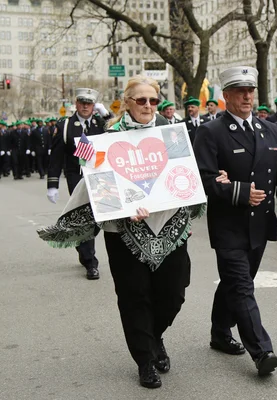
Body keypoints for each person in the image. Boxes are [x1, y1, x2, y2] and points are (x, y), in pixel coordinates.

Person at [39, 75, 209, 389]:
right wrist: (123, 205)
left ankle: (155, 335)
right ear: (126, 102)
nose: (148, 106)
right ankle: (145, 359)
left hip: (169, 225)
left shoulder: (172, 134)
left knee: (174, 291)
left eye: (153, 100)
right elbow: (97, 182)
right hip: (123, 231)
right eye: (141, 100)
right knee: (134, 296)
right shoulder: (103, 137)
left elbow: (185, 175)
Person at [194, 66, 277, 376]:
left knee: (234, 284)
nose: (247, 96)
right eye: (240, 91)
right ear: (226, 96)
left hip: (259, 224)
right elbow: (201, 179)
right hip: (228, 225)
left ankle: (220, 332)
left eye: (250, 91)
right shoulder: (211, 131)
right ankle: (262, 351)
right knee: (243, 287)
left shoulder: (270, 130)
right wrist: (238, 191)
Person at [47, 88, 108, 279]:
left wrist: (107, 113)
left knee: (98, 218)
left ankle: (83, 247)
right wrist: (52, 184)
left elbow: (119, 131)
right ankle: (91, 262)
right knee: (85, 216)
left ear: (93, 106)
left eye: (89, 103)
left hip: (99, 176)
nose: (85, 106)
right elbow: (56, 157)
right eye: (82, 102)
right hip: (77, 177)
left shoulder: (101, 123)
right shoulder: (65, 126)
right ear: (76, 103)